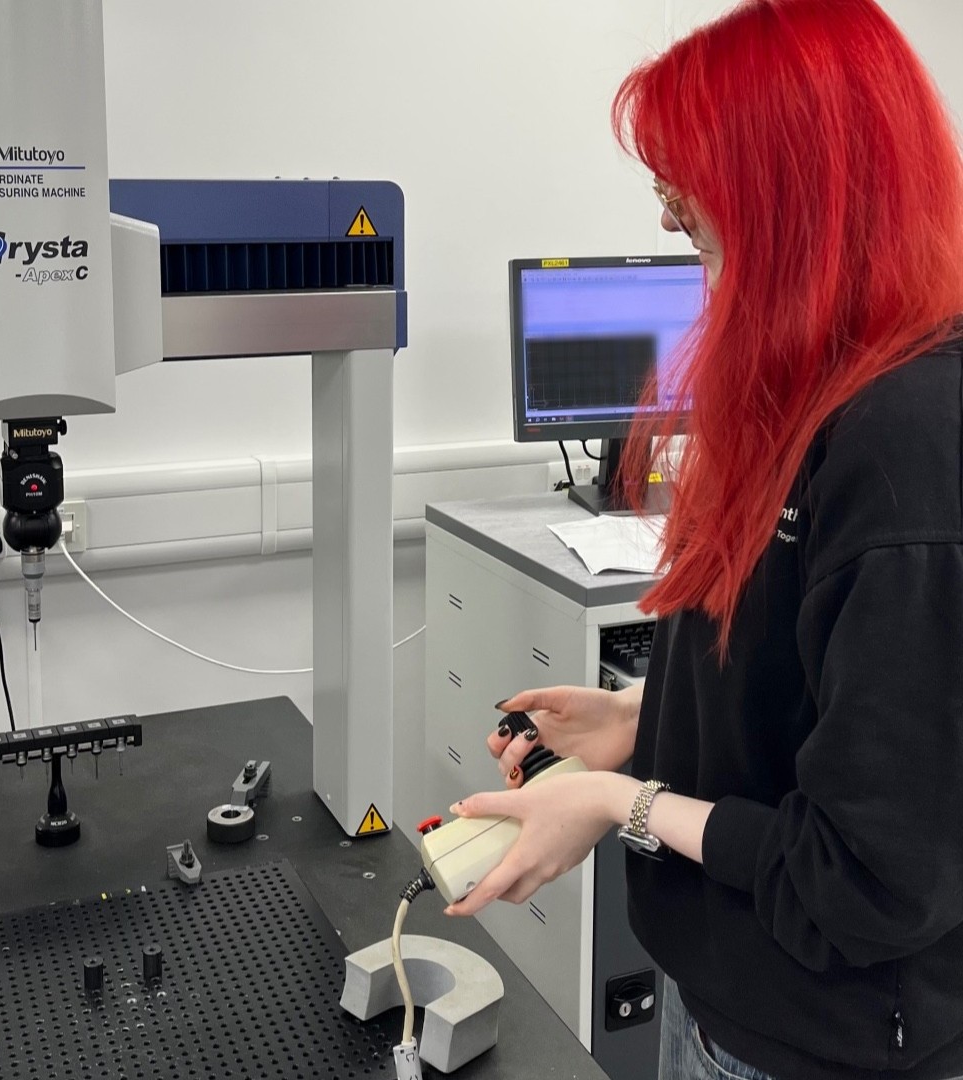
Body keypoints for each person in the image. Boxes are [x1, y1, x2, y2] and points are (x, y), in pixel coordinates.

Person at [444, 2, 963, 1078]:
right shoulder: (820, 391)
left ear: (797, 209)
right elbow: (811, 685)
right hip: (724, 990)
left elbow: (867, 882)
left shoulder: (907, 451)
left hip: (829, 1044)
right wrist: (642, 719)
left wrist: (615, 803)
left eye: (694, 226)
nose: (699, 269)